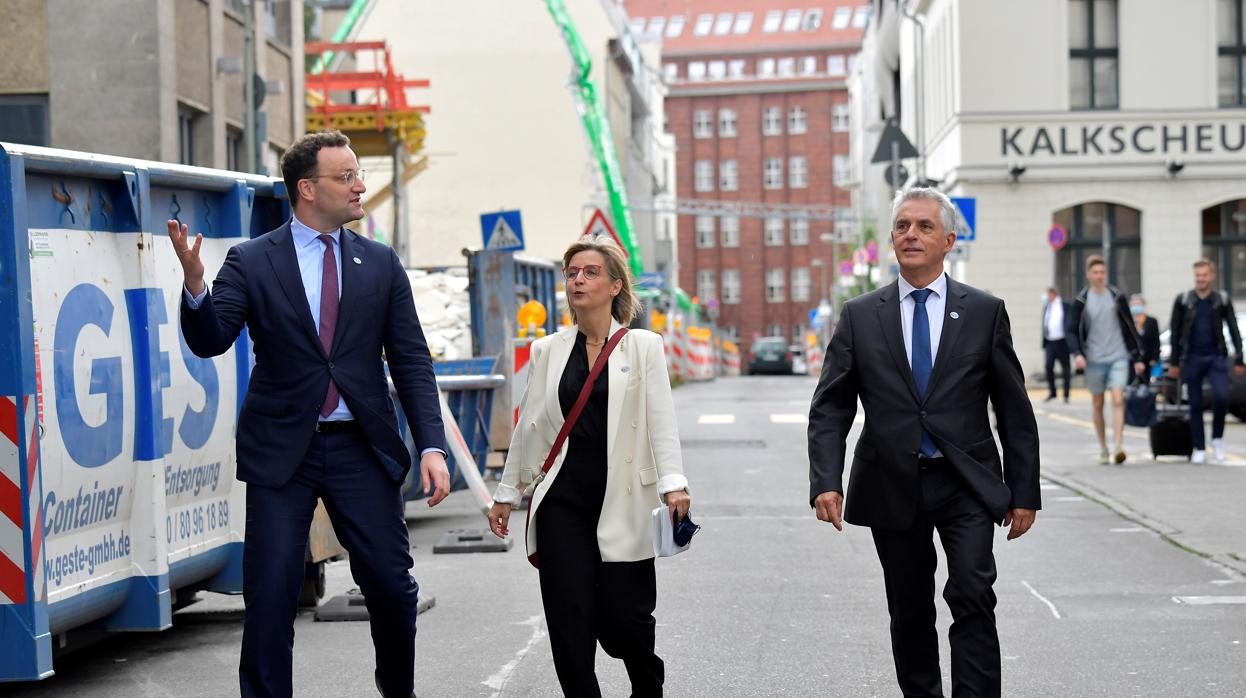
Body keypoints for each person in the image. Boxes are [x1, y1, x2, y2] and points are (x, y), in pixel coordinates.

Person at [169, 130, 451, 698]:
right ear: (306, 189)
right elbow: (210, 339)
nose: (359, 186)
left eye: (357, 175)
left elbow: (412, 360)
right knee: (271, 595)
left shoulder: (378, 262)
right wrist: (195, 284)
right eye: (345, 176)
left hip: (361, 448)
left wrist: (432, 445)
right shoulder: (251, 260)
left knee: (394, 589)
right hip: (282, 452)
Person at [808, 187, 1040, 698]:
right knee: (909, 607)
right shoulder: (860, 315)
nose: (911, 234)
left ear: (949, 240)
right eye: (902, 226)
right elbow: (831, 406)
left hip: (966, 482)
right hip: (892, 481)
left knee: (973, 593)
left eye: (924, 226)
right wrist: (826, 479)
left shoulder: (983, 312)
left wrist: (1024, 491)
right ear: (891, 239)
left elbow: (1014, 409)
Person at [487, 235, 690, 697]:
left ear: (615, 285)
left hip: (624, 498)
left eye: (590, 272)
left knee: (624, 621)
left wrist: (673, 483)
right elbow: (530, 426)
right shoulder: (547, 350)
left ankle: (647, 683)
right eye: (572, 273)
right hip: (562, 498)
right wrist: (507, 492)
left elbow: (662, 419)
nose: (578, 280)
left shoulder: (642, 346)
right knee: (569, 620)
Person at [1067, 256, 1146, 465]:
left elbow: (1129, 326)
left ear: (1106, 274)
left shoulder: (1116, 296)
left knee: (1118, 398)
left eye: (1102, 272)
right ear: (1088, 275)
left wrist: (1137, 357)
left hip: (1118, 356)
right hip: (1093, 359)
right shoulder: (1082, 300)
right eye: (1095, 273)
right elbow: (1071, 330)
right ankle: (1103, 447)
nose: (1099, 276)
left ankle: (1118, 446)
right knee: (1098, 402)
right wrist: (1078, 354)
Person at [1167, 259, 1245, 463]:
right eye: (1197, 276)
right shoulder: (1184, 300)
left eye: (1204, 275)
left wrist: (1239, 357)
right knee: (1194, 403)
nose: (1200, 279)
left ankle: (1217, 439)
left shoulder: (1221, 300)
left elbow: (1234, 327)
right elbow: (1175, 332)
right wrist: (1174, 362)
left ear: (1212, 276)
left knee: (1221, 397)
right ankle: (1199, 447)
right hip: (1191, 357)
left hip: (1216, 356)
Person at [1042, 287, 1073, 402]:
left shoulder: (1065, 304)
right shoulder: (1047, 307)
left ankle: (1066, 394)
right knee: (1048, 366)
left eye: (1047, 294)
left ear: (1053, 294)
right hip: (1050, 341)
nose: (1045, 297)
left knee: (1065, 368)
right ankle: (1052, 392)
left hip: (1062, 341)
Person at [1130, 294, 1161, 380]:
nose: (1136, 307)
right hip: (1132, 358)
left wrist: (1155, 357)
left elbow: (1156, 341)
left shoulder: (1151, 321)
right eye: (1134, 304)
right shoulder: (1128, 322)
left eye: (1138, 304)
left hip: (1148, 358)